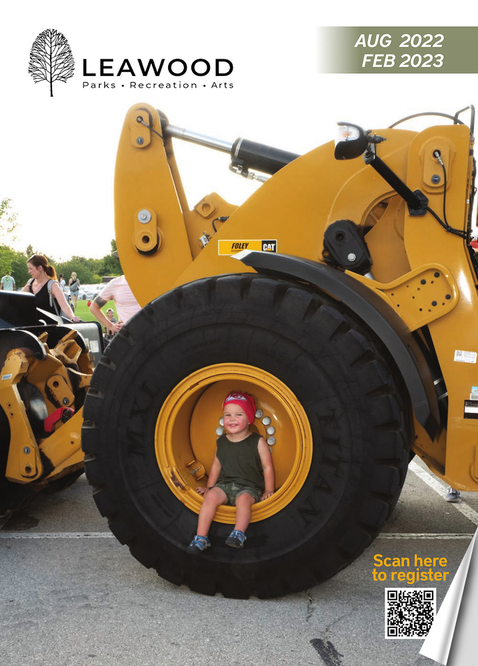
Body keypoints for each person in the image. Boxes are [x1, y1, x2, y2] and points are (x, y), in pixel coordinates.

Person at [188, 391, 275, 552]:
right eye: (227, 415)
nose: (232, 419)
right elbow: (216, 466)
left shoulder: (257, 441)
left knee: (243, 500)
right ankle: (201, 537)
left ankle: (238, 533)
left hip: (249, 487)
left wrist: (268, 490)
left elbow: (267, 467)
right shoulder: (221, 442)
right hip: (225, 485)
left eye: (238, 414)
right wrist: (209, 488)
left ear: (249, 419)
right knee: (210, 497)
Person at [22, 254, 80, 322]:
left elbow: (64, 305)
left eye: (31, 269)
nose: (29, 272)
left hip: (49, 326)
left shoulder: (52, 285)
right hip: (31, 326)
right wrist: (22, 293)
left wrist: (72, 317)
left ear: (40, 268)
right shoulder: (30, 283)